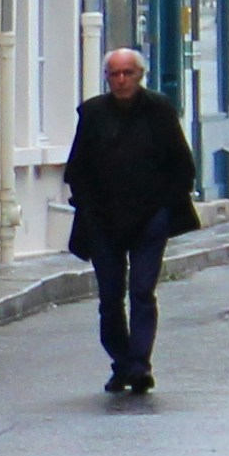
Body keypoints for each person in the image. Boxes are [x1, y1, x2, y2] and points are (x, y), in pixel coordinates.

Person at [61, 48, 199, 395]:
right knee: (109, 298)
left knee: (141, 292)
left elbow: (182, 165)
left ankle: (139, 365)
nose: (121, 81)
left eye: (128, 74)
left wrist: (165, 209)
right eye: (115, 75)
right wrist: (89, 208)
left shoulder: (160, 111)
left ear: (140, 76)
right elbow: (77, 167)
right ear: (107, 78)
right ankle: (120, 361)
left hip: (149, 219)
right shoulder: (92, 113)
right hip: (104, 221)